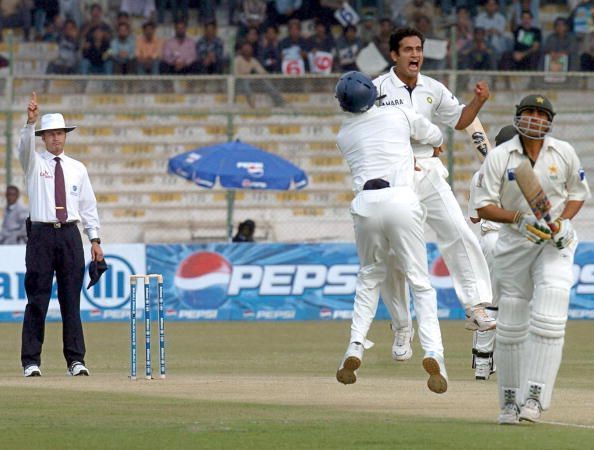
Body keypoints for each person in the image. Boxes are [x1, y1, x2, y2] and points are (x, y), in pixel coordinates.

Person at [373, 27, 495, 364]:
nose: (415, 55)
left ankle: (477, 306)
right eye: (408, 49)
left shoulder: (432, 88)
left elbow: (460, 121)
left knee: (457, 230)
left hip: (428, 169)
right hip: (394, 175)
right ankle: (401, 325)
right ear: (394, 55)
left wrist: (478, 102)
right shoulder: (378, 89)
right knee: (393, 257)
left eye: (419, 49)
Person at [475, 94, 590, 424]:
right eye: (529, 112)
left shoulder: (563, 152)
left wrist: (564, 222)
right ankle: (509, 401)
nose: (535, 119)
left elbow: (578, 194)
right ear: (518, 117)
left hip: (555, 243)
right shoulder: (500, 157)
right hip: (514, 243)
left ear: (550, 121)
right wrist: (518, 219)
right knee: (511, 322)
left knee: (551, 308)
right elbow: (483, 205)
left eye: (542, 114)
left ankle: (536, 397)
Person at [334, 71, 448, 394]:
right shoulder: (397, 112)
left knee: (369, 277)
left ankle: (355, 346)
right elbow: (433, 133)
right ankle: (433, 352)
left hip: (365, 205)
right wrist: (435, 146)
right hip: (400, 200)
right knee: (420, 282)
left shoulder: (343, 136)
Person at [19, 92, 104, 377]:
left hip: (69, 235)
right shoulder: (34, 163)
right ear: (43, 137)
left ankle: (75, 360)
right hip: (41, 234)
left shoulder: (77, 168)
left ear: (65, 136)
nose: (56, 138)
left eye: (60, 133)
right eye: (51, 134)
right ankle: (31, 361)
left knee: (71, 300)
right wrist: (29, 124)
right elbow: (22, 150)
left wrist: (94, 240)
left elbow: (88, 207)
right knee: (37, 300)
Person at [467, 125, 518, 380]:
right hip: (513, 241)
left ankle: (483, 362)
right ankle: (502, 360)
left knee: (488, 304)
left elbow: (475, 218)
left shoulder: (479, 175)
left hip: (488, 240)